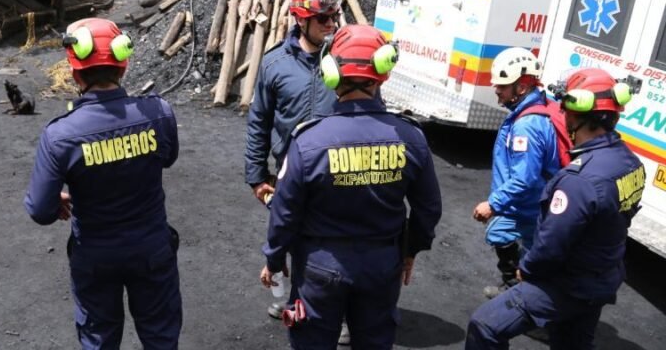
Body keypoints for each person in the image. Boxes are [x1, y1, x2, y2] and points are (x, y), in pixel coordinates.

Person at [261, 24, 442, 350]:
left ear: (331, 73)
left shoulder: (308, 139)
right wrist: (410, 250)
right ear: (383, 72)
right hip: (383, 263)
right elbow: (428, 207)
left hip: (320, 265)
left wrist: (274, 260)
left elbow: (285, 212)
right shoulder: (411, 137)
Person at [24, 18, 182, 350]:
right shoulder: (159, 113)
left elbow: (39, 210)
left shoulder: (60, 135)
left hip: (95, 256)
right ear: (123, 66)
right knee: (161, 337)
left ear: (74, 71)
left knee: (99, 340)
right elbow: (167, 158)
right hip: (152, 250)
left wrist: (57, 198)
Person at [465, 68, 644, 350]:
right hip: (602, 278)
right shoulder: (630, 163)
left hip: (568, 283)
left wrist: (527, 269)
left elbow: (552, 242)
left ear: (574, 114)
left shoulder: (578, 180)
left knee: (485, 325)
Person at [245, 0, 341, 323]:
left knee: (334, 243)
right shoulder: (275, 64)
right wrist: (256, 176)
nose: (330, 26)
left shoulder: (344, 62)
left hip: (337, 173)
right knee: (287, 235)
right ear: (301, 19)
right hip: (289, 172)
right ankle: (289, 299)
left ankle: (338, 314)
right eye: (323, 20)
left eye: (334, 18)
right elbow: (259, 122)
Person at [472, 47, 560, 299]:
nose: (496, 90)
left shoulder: (526, 125)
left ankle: (524, 298)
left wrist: (494, 203)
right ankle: (517, 289)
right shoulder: (531, 112)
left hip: (530, 204)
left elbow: (525, 177)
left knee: (511, 240)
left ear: (521, 88)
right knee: (524, 248)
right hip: (532, 203)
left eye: (502, 85)